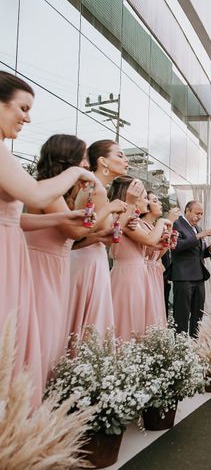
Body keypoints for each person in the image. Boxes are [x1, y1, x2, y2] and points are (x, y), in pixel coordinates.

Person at [0, 71, 96, 404]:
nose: (27, 117)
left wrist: (61, 215)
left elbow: (18, 217)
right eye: (22, 108)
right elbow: (35, 195)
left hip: (11, 251)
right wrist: (77, 172)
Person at [25, 134, 126, 377]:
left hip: (55, 264)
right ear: (67, 160)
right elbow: (76, 230)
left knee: (54, 333)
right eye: (82, 159)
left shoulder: (57, 193)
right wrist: (109, 208)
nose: (85, 165)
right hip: (42, 266)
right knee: (46, 333)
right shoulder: (50, 192)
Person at [68, 139, 140, 340]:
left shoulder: (99, 188)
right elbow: (105, 232)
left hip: (91, 258)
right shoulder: (96, 187)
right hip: (87, 261)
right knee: (90, 326)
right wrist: (130, 203)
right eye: (120, 155)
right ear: (103, 161)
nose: (126, 160)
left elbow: (107, 233)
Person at [109, 179, 172, 340]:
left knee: (138, 320)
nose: (147, 202)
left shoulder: (131, 219)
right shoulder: (127, 220)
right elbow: (150, 240)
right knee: (128, 321)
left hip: (137, 272)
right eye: (144, 197)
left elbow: (151, 246)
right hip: (128, 275)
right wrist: (164, 221)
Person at [166, 200, 211, 337]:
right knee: (182, 314)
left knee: (198, 313)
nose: (199, 216)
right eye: (197, 213)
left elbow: (198, 254)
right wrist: (198, 236)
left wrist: (210, 250)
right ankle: (181, 345)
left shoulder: (197, 228)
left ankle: (195, 342)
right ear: (187, 211)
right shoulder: (176, 224)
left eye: (201, 214)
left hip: (199, 276)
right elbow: (176, 247)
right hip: (183, 277)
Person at [141, 193, 180, 328]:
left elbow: (156, 255)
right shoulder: (140, 225)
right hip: (144, 271)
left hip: (154, 270)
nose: (160, 204)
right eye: (155, 200)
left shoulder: (153, 227)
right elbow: (144, 253)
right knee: (147, 309)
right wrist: (168, 221)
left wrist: (167, 241)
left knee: (157, 308)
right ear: (146, 205)